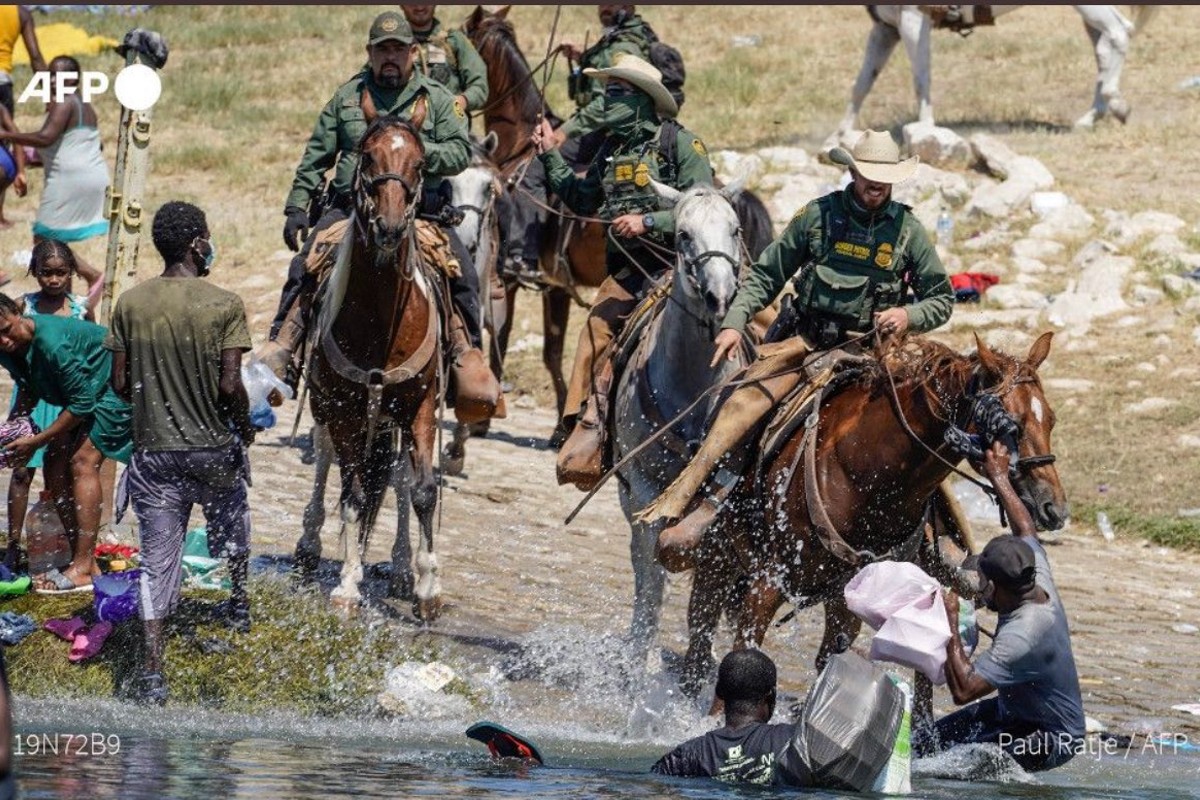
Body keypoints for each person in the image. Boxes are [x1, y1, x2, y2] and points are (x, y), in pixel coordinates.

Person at [649, 129, 954, 570]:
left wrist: (909, 316)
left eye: (884, 179)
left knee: (917, 433)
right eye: (869, 176)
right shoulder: (817, 217)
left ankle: (941, 537)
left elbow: (941, 298)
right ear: (851, 172)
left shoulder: (907, 230)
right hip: (808, 342)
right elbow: (765, 275)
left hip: (874, 354)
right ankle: (710, 502)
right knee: (744, 405)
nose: (876, 186)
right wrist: (735, 323)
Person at [263, 11, 493, 409]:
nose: (391, 57)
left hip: (423, 212)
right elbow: (317, 155)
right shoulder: (346, 98)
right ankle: (284, 349)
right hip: (350, 209)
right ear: (370, 53)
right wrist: (297, 206)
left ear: (412, 53)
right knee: (306, 264)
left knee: (464, 276)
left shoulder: (436, 99)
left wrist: (410, 153)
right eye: (383, 49)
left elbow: (459, 153)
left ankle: (465, 357)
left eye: (398, 50)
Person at [531, 53, 713, 489]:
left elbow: (704, 205)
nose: (605, 100)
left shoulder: (681, 146)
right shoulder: (610, 149)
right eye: (605, 91)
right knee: (595, 330)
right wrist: (551, 156)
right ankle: (583, 426)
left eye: (616, 92)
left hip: (684, 267)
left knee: (754, 321)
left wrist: (649, 222)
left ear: (643, 101)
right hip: (631, 273)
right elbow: (581, 198)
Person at [107, 201, 255, 706]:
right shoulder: (225, 303)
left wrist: (156, 406)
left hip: (153, 454)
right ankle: (238, 603)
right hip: (212, 449)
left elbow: (120, 382)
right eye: (207, 237)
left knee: (156, 563)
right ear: (197, 244)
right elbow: (231, 383)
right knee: (232, 523)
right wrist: (243, 427)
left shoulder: (130, 303)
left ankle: (152, 672)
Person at [918, 441, 1086, 772]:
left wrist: (950, 622)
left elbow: (964, 690)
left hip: (1050, 737)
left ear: (997, 587)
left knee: (944, 770)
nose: (979, 591)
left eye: (982, 584)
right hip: (1014, 711)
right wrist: (999, 476)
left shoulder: (1023, 635)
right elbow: (1025, 527)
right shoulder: (1033, 570)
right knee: (924, 749)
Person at [0, 294, 131, 593]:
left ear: (18, 314)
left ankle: (83, 567)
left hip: (116, 384)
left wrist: (36, 440)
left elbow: (82, 405)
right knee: (53, 460)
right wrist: (10, 432)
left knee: (82, 461)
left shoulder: (51, 343)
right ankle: (81, 558)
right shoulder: (9, 349)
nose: (4, 341)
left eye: (7, 330)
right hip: (86, 392)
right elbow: (28, 388)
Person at [4, 240, 101, 573]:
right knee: (21, 471)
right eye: (47, 273)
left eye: (61, 273)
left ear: (71, 273)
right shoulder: (21, 307)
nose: (54, 280)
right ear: (35, 272)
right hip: (32, 398)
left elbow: (87, 356)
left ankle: (72, 548)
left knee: (58, 471)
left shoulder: (80, 307)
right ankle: (13, 546)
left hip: (66, 402)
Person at [0, 55, 110, 283]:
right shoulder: (83, 105)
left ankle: (93, 276)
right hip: (90, 176)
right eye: (50, 75)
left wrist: (6, 135)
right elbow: (83, 144)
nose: (52, 81)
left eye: (58, 76)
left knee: (45, 239)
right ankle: (64, 300)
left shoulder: (66, 101)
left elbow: (45, 137)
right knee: (55, 239)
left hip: (70, 180)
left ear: (73, 79)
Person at [651, 649, 808, 786]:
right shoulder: (795, 741)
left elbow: (652, 785)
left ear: (719, 692)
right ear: (771, 696)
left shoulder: (686, 756)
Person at [0, 4, 46, 234]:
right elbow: (36, 57)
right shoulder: (20, 13)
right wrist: (49, 94)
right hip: (2, 82)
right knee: (3, 146)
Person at [400, 5, 488, 118]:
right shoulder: (389, 44)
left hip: (449, 126)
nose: (419, 6)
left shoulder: (454, 41)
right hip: (404, 127)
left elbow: (480, 86)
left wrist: (461, 101)